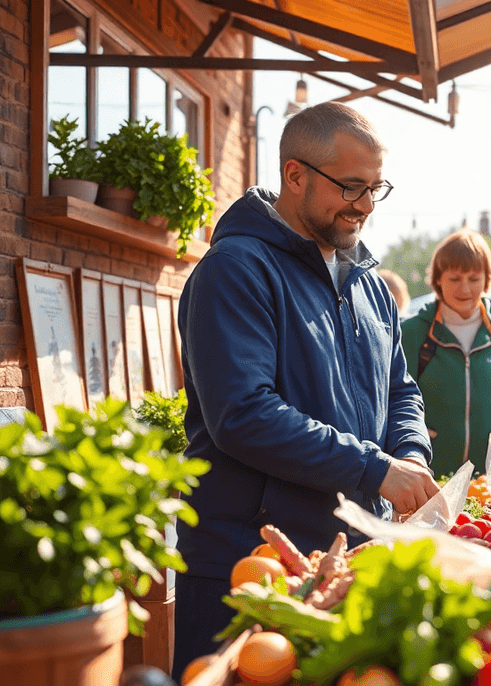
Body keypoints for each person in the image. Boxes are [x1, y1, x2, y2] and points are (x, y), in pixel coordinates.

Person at [172, 102, 438, 681]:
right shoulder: (234, 270)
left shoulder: (368, 282)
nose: (366, 205)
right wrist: (374, 468)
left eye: (376, 188)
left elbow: (401, 391)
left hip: (341, 564)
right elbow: (243, 414)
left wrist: (409, 454)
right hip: (246, 568)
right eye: (351, 187)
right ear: (295, 175)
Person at [401, 230, 491, 478]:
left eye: (474, 278)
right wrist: (412, 433)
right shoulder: (411, 333)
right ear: (438, 280)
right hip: (428, 478)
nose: (465, 288)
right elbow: (390, 395)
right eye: (454, 279)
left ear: (487, 279)